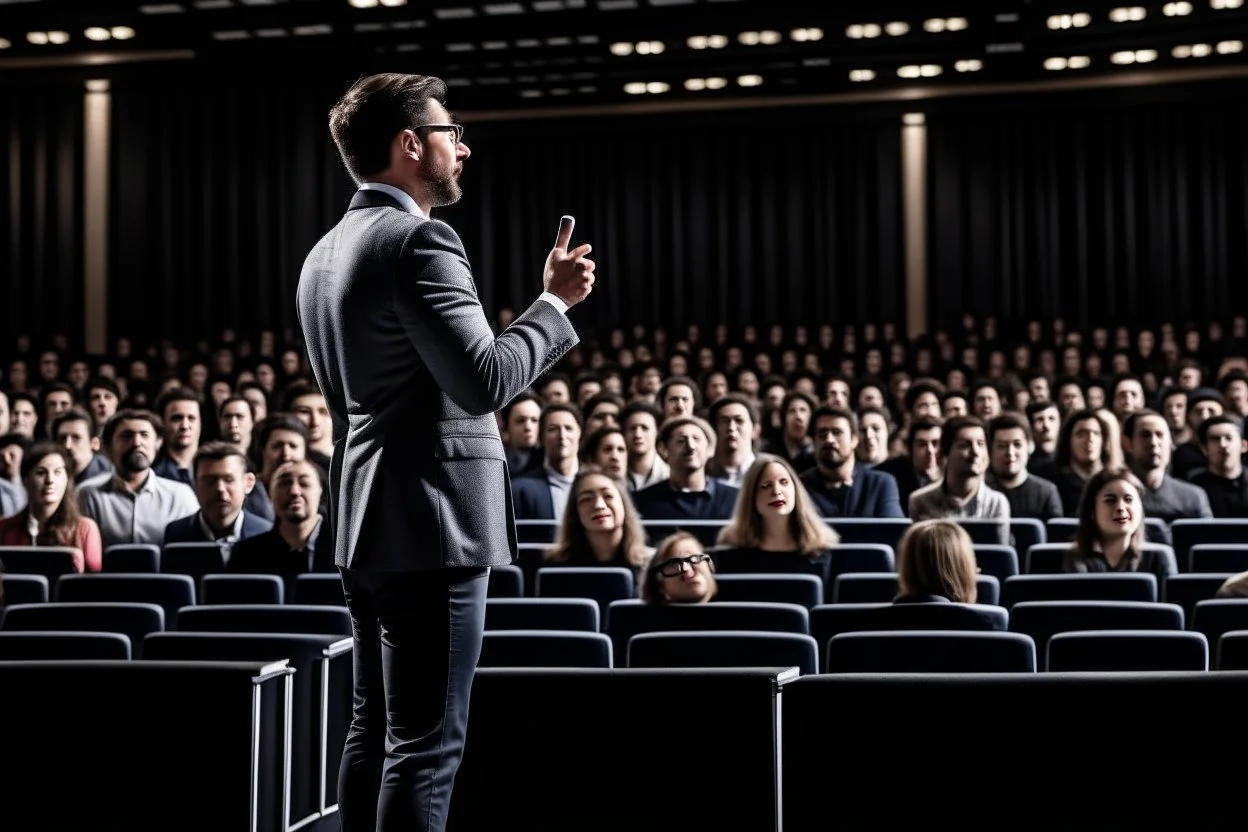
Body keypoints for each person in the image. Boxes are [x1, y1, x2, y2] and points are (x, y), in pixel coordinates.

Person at [297, 73, 596, 832]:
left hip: (363, 518)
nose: (462, 147)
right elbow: (485, 380)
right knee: (427, 745)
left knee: (374, 731)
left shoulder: (324, 253)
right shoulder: (421, 238)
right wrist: (553, 304)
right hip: (432, 523)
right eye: (449, 132)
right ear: (409, 144)